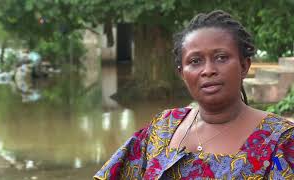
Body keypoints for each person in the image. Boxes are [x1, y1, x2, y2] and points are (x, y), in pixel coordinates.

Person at [94, 10, 294, 179]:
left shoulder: (280, 141)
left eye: (221, 57)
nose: (208, 70)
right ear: (182, 73)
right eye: (195, 61)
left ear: (244, 65)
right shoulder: (162, 128)